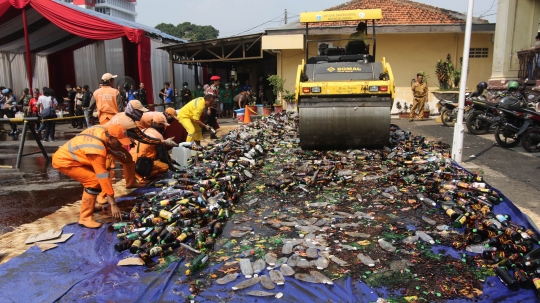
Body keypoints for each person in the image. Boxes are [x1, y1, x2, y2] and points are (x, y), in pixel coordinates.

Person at [52, 124, 131, 228]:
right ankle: (85, 218)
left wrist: (113, 152)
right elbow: (103, 178)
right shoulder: (96, 149)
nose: (121, 145)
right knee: (94, 181)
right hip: (65, 161)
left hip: (76, 157)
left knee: (94, 180)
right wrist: (113, 204)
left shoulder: (102, 130)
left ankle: (90, 207)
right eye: (119, 142)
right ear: (111, 138)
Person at [130, 114, 169, 182]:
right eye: (163, 125)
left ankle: (138, 175)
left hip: (132, 161)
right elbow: (162, 156)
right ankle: (146, 176)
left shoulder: (143, 130)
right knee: (165, 166)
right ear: (159, 125)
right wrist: (171, 165)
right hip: (141, 164)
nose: (164, 128)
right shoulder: (158, 136)